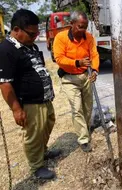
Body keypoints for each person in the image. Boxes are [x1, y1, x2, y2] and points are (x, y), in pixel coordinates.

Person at [0, 9, 60, 179]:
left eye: (36, 33)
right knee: (34, 134)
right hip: (30, 102)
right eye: (31, 34)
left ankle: (43, 151)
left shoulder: (29, 45)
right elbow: (5, 83)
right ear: (17, 30)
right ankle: (37, 166)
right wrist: (16, 109)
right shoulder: (6, 49)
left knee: (47, 125)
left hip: (44, 98)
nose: (35, 37)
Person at [53, 11, 99, 152]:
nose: (83, 30)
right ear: (71, 24)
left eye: (85, 27)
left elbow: (94, 54)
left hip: (86, 76)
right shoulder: (60, 38)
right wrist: (77, 63)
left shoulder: (89, 37)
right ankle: (83, 139)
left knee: (88, 106)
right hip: (69, 79)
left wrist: (95, 70)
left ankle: (85, 127)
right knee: (77, 108)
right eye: (80, 26)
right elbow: (59, 59)